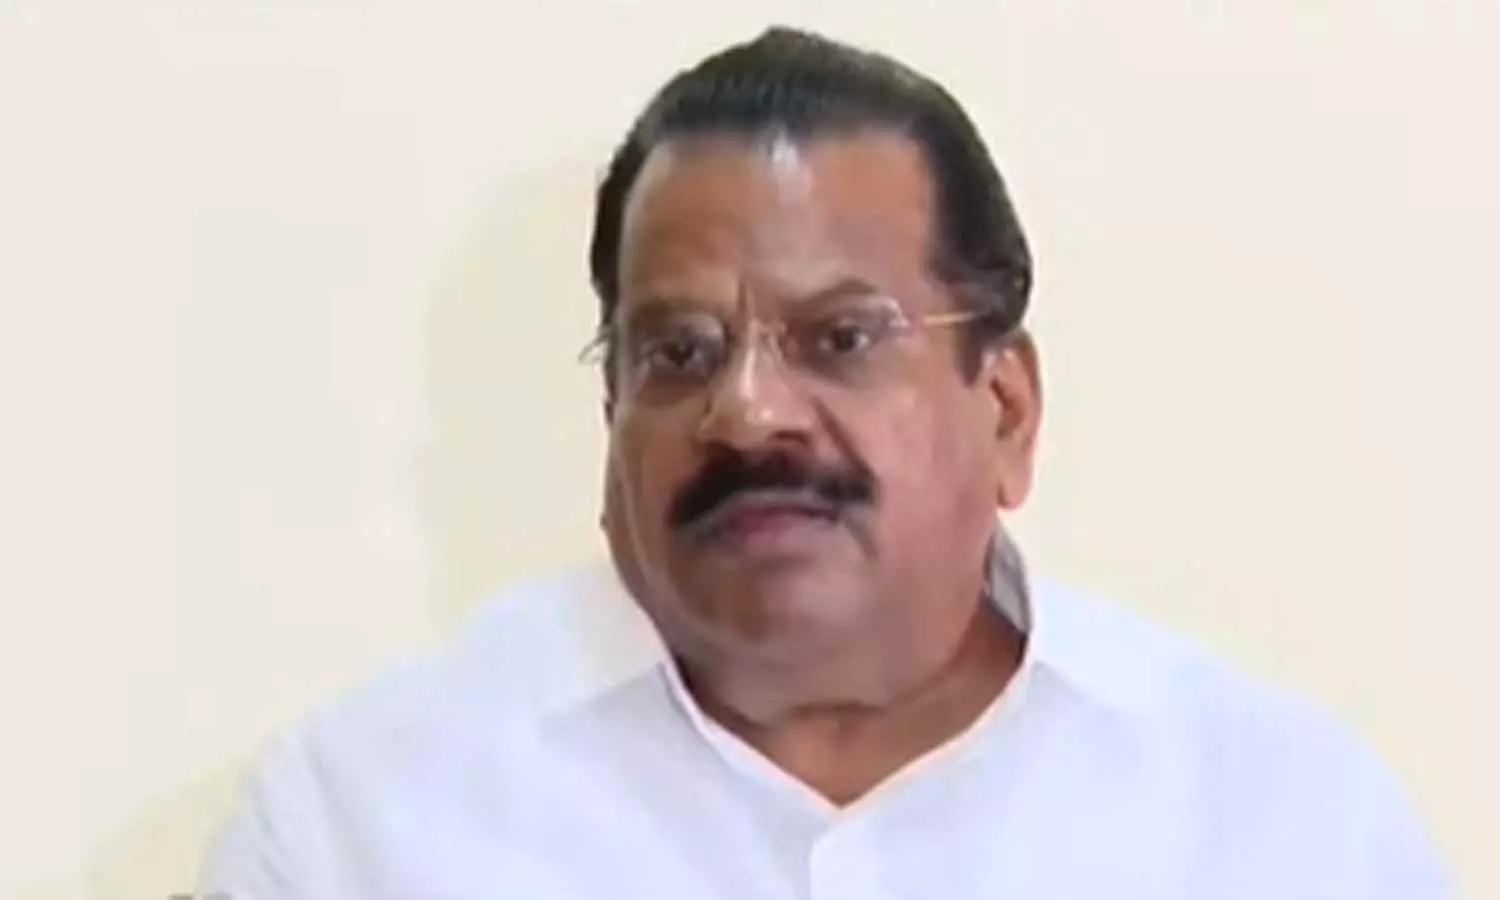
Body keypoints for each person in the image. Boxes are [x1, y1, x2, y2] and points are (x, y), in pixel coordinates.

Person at [201, 25, 1450, 900]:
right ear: (612, 418)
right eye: (679, 353)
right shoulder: (363, 824)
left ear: (1006, 410)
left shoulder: (1284, 829)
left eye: (842, 339)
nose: (748, 414)